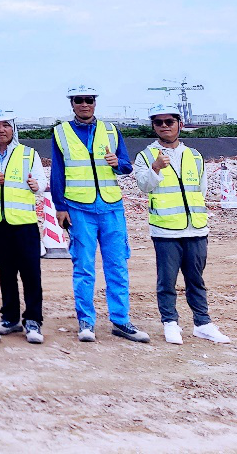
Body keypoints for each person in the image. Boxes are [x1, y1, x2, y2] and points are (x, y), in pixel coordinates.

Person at [51, 85, 149, 343]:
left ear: (95, 103)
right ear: (72, 104)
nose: (85, 104)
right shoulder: (61, 133)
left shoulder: (111, 130)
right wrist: (60, 206)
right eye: (79, 100)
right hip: (78, 208)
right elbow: (57, 172)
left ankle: (121, 320)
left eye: (89, 100)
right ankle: (86, 321)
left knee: (117, 265)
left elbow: (126, 165)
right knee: (83, 267)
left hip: (110, 207)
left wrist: (118, 164)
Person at [134, 103, 231, 346]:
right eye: (158, 122)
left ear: (180, 124)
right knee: (167, 281)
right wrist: (156, 168)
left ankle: (203, 323)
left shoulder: (195, 156)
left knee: (196, 280)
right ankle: (170, 322)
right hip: (165, 230)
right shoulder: (145, 156)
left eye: (169, 121)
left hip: (196, 228)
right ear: (153, 126)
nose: (164, 126)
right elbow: (144, 186)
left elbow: (201, 189)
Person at [0, 109, 46, 345]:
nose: (1, 130)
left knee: (31, 273)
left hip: (24, 223)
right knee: (6, 272)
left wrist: (36, 185)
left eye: (6, 125)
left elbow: (41, 182)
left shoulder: (28, 154)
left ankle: (33, 320)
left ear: (13, 128)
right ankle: (10, 318)